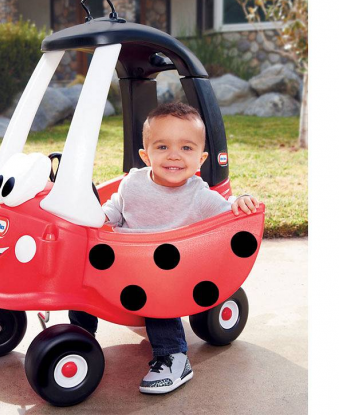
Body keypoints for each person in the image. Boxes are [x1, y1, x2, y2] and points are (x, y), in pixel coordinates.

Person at [69, 102, 259, 394]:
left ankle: (173, 356)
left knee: (159, 292)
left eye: (186, 148)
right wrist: (99, 217)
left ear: (200, 158)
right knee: (82, 279)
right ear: (146, 155)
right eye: (162, 147)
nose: (174, 155)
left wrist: (240, 201)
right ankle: (79, 337)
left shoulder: (200, 196)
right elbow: (114, 209)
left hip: (165, 274)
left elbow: (227, 216)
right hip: (122, 263)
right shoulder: (132, 183)